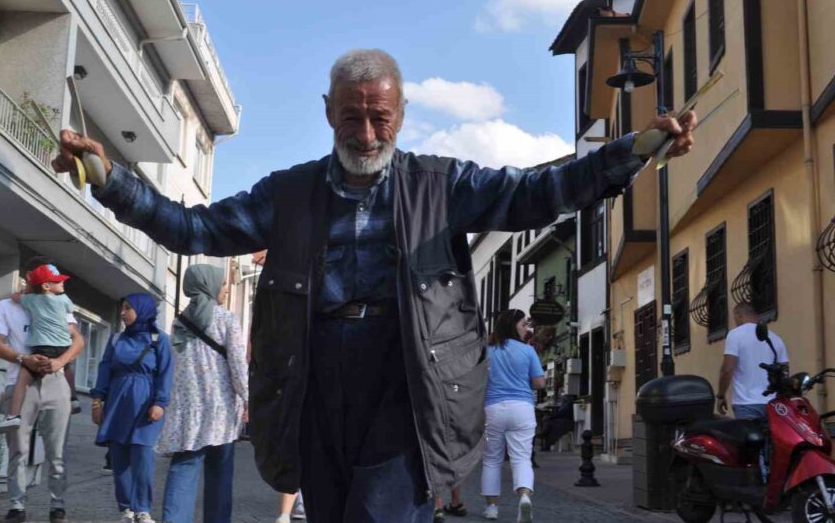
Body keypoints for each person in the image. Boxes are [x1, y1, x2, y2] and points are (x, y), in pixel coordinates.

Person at [52, 48, 697, 523]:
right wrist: (113, 182)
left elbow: (538, 193)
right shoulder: (289, 193)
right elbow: (191, 227)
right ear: (328, 111)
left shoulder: (441, 185)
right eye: (351, 119)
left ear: (402, 115)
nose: (365, 135)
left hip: (406, 376)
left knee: (380, 514)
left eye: (380, 119)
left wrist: (630, 151)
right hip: (312, 375)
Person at [0, 257, 85, 523]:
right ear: (31, 277)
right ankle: (17, 506)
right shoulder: (7, 306)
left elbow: (77, 340)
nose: (54, 283)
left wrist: (59, 363)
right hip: (19, 381)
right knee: (18, 448)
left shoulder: (58, 303)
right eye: (50, 279)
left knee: (57, 451)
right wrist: (23, 359)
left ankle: (57, 505)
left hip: (55, 380)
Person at [157, 265, 249, 523]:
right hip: (220, 409)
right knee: (220, 474)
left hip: (188, 409)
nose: (225, 289)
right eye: (222, 284)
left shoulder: (180, 322)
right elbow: (238, 366)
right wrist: (249, 397)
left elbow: (178, 362)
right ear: (208, 285)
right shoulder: (227, 319)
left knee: (184, 467)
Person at [92, 294, 173, 523]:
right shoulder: (116, 339)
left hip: (146, 401)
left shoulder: (159, 339)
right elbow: (105, 369)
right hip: (118, 401)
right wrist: (97, 401)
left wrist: (160, 402)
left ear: (142, 310)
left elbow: (166, 373)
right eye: (122, 308)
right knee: (119, 457)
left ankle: (143, 509)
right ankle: (126, 509)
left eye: (128, 308)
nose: (122, 312)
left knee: (143, 455)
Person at [481, 309, 545, 523]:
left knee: (491, 459)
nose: (527, 329)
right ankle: (525, 498)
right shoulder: (528, 351)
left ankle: (491, 508)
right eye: (523, 325)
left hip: (493, 409)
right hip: (522, 409)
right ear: (513, 326)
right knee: (521, 458)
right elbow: (539, 383)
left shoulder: (488, 350)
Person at [0, 263, 76, 433]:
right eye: (58, 280)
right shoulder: (63, 300)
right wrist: (61, 361)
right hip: (61, 347)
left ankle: (13, 416)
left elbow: (16, 297)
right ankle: (74, 397)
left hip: (44, 352)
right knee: (68, 367)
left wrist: (25, 359)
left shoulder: (31, 300)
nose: (62, 283)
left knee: (23, 377)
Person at [717, 302, 789, 420]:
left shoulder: (735, 335)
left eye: (734, 318)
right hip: (774, 404)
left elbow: (727, 370)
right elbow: (785, 371)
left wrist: (721, 395)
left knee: (749, 437)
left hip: (746, 404)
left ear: (739, 315)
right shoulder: (775, 338)